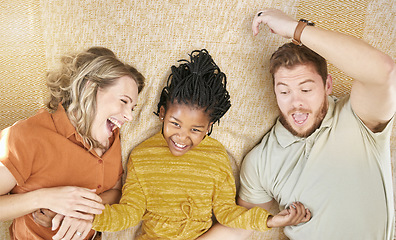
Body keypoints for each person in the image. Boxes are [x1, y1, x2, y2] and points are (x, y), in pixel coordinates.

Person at [199, 8, 396, 240]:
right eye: (284, 91)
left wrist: (296, 29)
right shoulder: (261, 161)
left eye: (306, 89)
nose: (296, 103)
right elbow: (238, 228)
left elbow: (385, 72)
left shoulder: (358, 117)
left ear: (327, 85)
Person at [80, 49, 311, 240]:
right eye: (175, 123)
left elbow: (227, 213)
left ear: (209, 127)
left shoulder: (217, 158)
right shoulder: (141, 156)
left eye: (196, 130)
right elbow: (129, 214)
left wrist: (270, 220)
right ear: (162, 113)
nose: (182, 137)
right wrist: (88, 218)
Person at [0, 46, 145, 240]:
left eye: (132, 107)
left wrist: (82, 212)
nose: (128, 116)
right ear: (90, 87)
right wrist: (44, 197)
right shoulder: (27, 136)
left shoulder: (112, 135)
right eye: (123, 101)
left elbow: (116, 191)